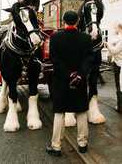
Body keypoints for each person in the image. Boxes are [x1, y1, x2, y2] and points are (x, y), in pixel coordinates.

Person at [46, 11, 94, 156]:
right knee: (81, 111)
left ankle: (56, 146)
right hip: (79, 81)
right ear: (78, 21)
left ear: (64, 21)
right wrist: (79, 75)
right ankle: (83, 144)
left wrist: (69, 74)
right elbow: (89, 59)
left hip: (61, 81)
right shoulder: (86, 38)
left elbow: (55, 60)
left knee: (59, 112)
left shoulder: (55, 38)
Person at [107, 23, 122, 113]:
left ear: (119, 28)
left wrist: (107, 45)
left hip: (118, 63)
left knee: (119, 85)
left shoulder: (118, 38)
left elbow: (113, 51)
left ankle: (120, 106)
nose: (114, 29)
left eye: (115, 28)